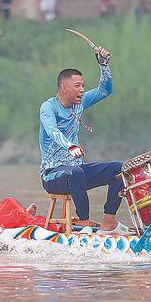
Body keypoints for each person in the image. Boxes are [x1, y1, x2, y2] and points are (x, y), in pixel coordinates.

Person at [38, 46, 124, 233]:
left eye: (83, 85)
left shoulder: (81, 102)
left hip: (77, 172)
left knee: (120, 169)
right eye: (78, 86)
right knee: (75, 172)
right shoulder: (48, 107)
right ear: (63, 87)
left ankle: (109, 221)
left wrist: (104, 65)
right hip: (53, 175)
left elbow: (105, 90)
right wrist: (70, 146)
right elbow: (52, 130)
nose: (83, 90)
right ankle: (85, 224)